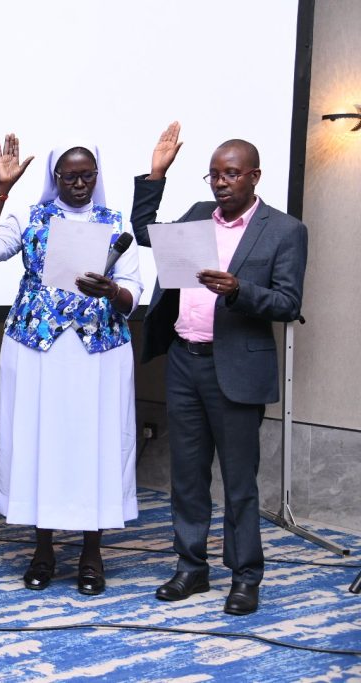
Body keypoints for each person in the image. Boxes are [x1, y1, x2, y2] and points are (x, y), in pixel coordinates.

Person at [132, 122, 308, 615]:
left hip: (235, 369)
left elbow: (289, 302)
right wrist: (155, 175)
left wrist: (238, 290)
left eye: (231, 173)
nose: (221, 182)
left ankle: (245, 576)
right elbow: (145, 234)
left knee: (238, 482)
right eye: (214, 174)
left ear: (254, 176)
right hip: (184, 363)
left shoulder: (285, 230)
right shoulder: (195, 215)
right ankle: (191, 567)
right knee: (187, 476)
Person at [0, 136, 142, 595]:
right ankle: (43, 549)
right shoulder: (30, 218)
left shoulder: (116, 224)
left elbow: (133, 292)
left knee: (95, 445)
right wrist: (1, 189)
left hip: (98, 351)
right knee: (39, 442)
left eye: (88, 176)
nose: (80, 184)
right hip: (37, 349)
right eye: (70, 177)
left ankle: (91, 553)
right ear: (55, 178)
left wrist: (111, 291)